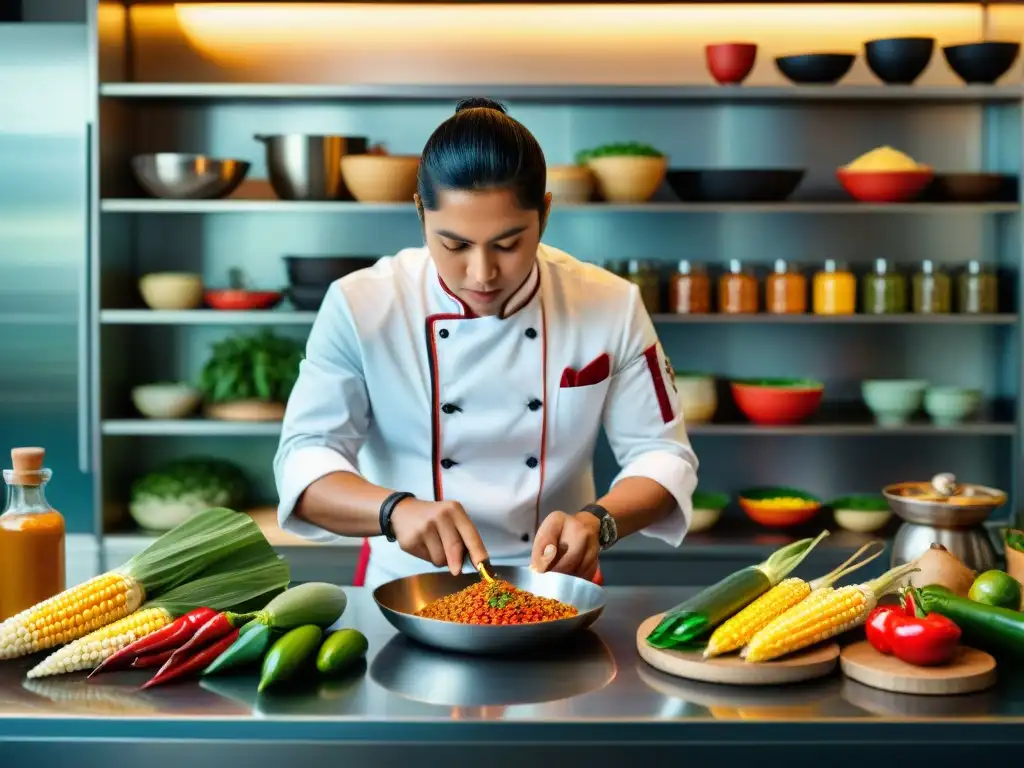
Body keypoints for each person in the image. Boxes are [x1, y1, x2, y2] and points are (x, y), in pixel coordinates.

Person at [273, 97, 699, 591]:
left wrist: (597, 522)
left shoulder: (610, 303)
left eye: (508, 243)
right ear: (420, 213)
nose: (482, 273)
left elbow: (664, 457)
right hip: (405, 585)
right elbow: (304, 461)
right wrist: (393, 511)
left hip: (555, 583)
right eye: (454, 245)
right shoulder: (360, 304)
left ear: (544, 213)